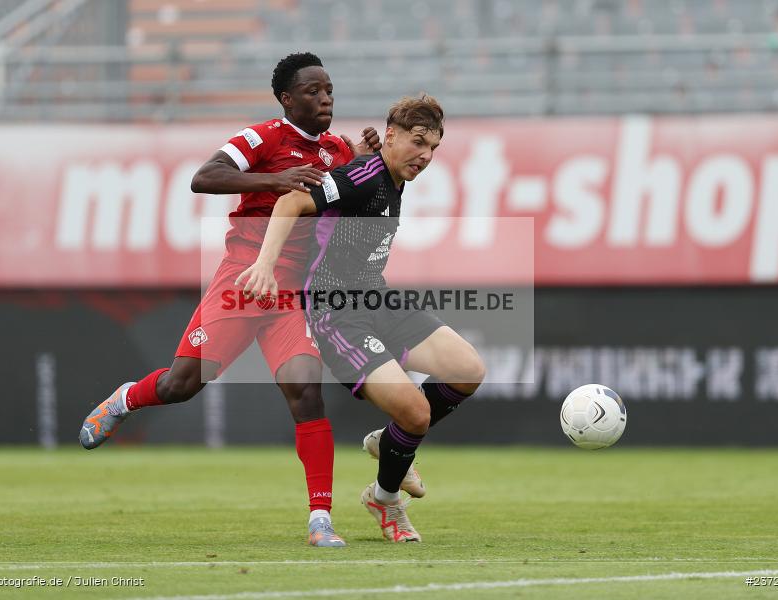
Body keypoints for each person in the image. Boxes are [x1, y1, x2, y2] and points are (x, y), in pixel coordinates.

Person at [78, 52, 381, 548]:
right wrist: (272, 180)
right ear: (287, 99)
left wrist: (365, 157)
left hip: (291, 294)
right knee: (181, 385)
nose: (325, 98)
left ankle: (320, 519)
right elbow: (204, 177)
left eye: (329, 89)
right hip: (243, 281)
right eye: (313, 91)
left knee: (307, 393)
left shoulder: (335, 150)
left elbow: (356, 195)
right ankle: (126, 398)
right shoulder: (263, 138)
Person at [237, 94, 486, 542]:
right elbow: (291, 202)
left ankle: (390, 443)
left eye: (433, 147)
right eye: (417, 142)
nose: (425, 155)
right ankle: (385, 499)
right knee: (415, 414)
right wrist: (265, 265)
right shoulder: (365, 175)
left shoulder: (395, 177)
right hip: (336, 311)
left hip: (376, 298)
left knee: (468, 368)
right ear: (391, 135)